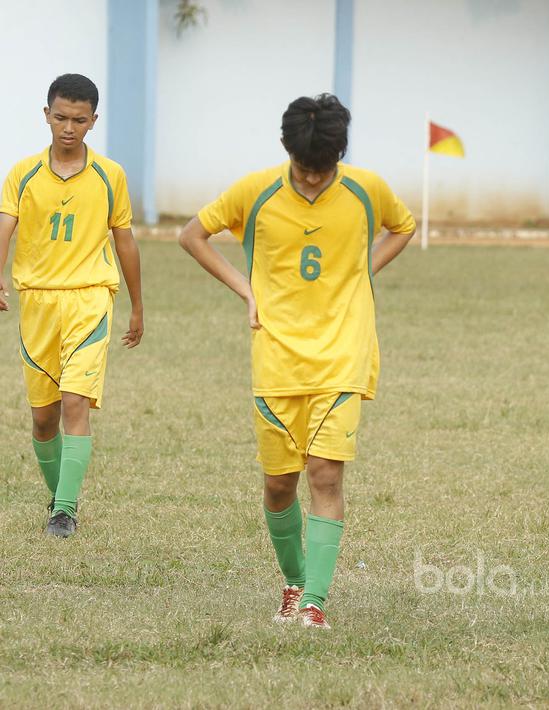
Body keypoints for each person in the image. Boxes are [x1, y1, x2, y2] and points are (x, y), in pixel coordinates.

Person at [177, 94, 417, 629]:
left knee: (326, 475)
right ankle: (292, 582)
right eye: (304, 170)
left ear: (340, 156)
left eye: (322, 170)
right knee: (279, 484)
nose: (311, 181)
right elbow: (191, 235)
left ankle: (314, 603)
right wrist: (246, 289)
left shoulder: (366, 189)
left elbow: (404, 226)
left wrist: (363, 272)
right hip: (276, 358)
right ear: (288, 152)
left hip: (343, 354)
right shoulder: (255, 191)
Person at [0, 73, 144, 538]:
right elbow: (5, 227)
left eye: (79, 120)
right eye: (60, 117)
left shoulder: (110, 175)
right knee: (44, 419)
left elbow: (125, 241)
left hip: (89, 299)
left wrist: (137, 306)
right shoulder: (22, 174)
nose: (68, 127)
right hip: (37, 303)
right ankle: (58, 499)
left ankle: (64, 511)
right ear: (46, 115)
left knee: (74, 402)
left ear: (93, 121)